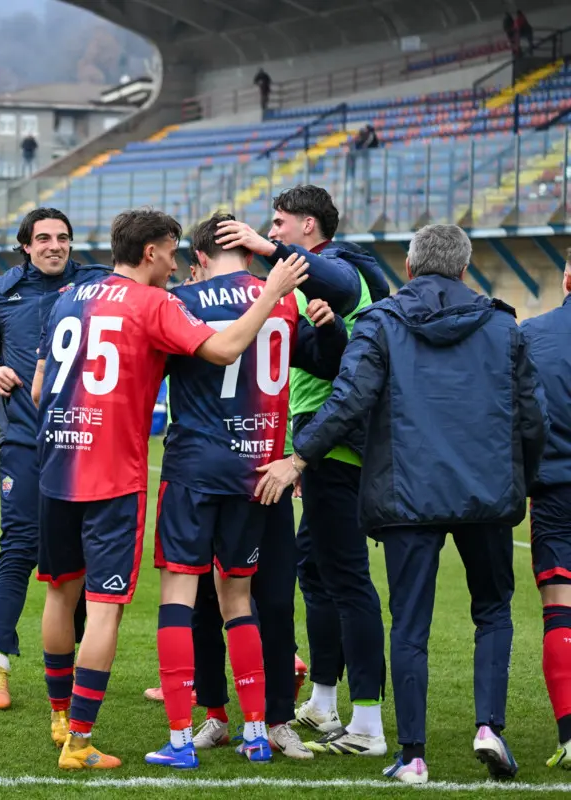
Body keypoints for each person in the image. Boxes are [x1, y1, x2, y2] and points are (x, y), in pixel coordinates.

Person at [255, 223, 547, 785]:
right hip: (486, 491)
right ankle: (489, 726)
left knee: (408, 622)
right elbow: (530, 417)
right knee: (491, 611)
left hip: (408, 492)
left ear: (409, 269)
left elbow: (348, 399)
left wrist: (301, 456)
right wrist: (524, 481)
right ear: (465, 269)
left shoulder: (381, 321)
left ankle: (412, 755)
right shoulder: (503, 326)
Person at [30, 207, 308, 770]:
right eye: (171, 252)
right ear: (153, 251)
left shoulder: (71, 296)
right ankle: (249, 732)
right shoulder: (160, 302)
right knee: (205, 599)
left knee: (67, 593)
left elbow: (39, 390)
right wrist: (274, 288)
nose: (178, 264)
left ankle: (75, 720)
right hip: (183, 469)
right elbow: (225, 350)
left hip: (61, 464)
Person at [147, 213, 347, 769]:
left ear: (202, 256)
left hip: (198, 467)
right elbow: (329, 364)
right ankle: (260, 726)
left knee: (188, 598)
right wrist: (330, 327)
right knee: (257, 600)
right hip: (262, 469)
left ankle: (197, 728)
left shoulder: (182, 302)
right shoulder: (282, 299)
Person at [215, 185, 392, 756]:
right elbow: (318, 352)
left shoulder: (343, 269)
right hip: (313, 447)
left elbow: (340, 290)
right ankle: (322, 698)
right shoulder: (308, 284)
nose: (273, 231)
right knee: (315, 574)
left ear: (309, 227)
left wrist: (260, 248)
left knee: (347, 578)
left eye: (279, 223)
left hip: (334, 447)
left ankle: (367, 721)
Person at [0, 207, 104, 710]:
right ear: (26, 245)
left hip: (84, 441)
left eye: (63, 238)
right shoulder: (3, 291)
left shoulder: (96, 284)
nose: (54, 246)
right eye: (43, 238)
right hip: (24, 439)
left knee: (84, 557)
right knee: (20, 545)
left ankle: (83, 665)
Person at [519, 250, 571, 769]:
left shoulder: (532, 334)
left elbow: (521, 412)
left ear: (567, 277)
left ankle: (570, 734)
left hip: (555, 489)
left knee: (561, 604)